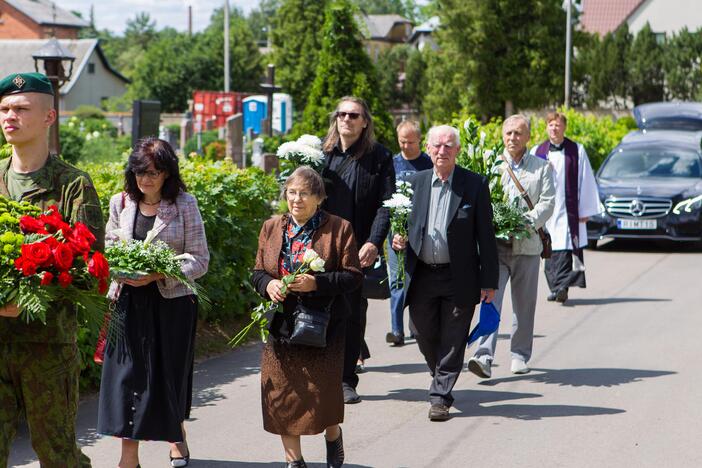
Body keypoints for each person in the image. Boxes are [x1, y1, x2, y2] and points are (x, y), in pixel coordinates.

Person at [0, 72, 104, 467]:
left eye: (22, 108)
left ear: (49, 117)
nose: (10, 116)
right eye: (5, 109)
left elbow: (89, 265)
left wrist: (28, 302)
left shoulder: (72, 185)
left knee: (56, 453)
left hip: (47, 345)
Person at [97, 138, 209, 468]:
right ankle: (128, 458)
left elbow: (200, 260)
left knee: (167, 377)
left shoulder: (185, 204)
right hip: (127, 302)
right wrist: (120, 268)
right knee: (126, 379)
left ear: (167, 174)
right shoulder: (120, 202)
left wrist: (160, 274)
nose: (146, 179)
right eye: (140, 172)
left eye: (155, 172)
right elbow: (108, 249)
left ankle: (176, 435)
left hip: (171, 304)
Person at [252, 166, 363, 468]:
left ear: (318, 197)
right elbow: (258, 272)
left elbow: (353, 277)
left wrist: (318, 283)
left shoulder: (339, 228)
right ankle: (294, 461)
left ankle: (332, 434)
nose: (297, 199)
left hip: (323, 325)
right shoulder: (272, 227)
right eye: (291, 192)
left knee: (321, 394)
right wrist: (269, 284)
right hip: (282, 325)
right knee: (280, 392)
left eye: (304, 193)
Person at [392, 125, 499, 421]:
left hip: (459, 275)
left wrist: (489, 282)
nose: (442, 151)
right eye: (437, 146)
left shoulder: (474, 184)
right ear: (428, 149)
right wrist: (397, 239)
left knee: (454, 337)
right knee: (421, 331)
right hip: (423, 273)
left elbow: (486, 238)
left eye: (449, 146)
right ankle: (440, 372)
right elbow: (401, 225)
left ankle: (440, 396)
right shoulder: (415, 182)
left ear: (458, 151)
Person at [467, 114, 555, 379]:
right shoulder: (492, 166)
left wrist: (522, 222)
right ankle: (483, 356)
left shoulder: (542, 168)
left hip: (527, 247)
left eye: (518, 133)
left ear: (528, 137)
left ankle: (519, 355)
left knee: (524, 306)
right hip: (497, 249)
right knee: (490, 300)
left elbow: (548, 203)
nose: (513, 138)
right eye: (508, 133)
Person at [321, 96, 395, 404]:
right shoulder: (320, 156)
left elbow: (386, 204)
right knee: (318, 310)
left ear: (365, 122)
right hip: (320, 247)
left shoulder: (379, 157)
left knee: (351, 313)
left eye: (354, 115)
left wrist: (373, 242)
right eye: (342, 114)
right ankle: (320, 374)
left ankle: (346, 379)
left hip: (356, 248)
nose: (347, 119)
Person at [531, 111, 600, 304]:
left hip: (568, 209)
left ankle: (561, 287)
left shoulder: (577, 150)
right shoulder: (537, 151)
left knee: (565, 248)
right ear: (547, 128)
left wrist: (585, 210)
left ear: (564, 128)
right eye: (551, 124)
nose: (554, 128)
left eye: (558, 124)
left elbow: (586, 180)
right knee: (547, 249)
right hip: (546, 209)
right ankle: (555, 287)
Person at [385, 120, 433, 347]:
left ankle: (417, 326)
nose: (406, 146)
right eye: (402, 141)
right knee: (397, 280)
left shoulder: (429, 163)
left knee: (419, 281)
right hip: (396, 232)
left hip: (423, 232)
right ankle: (396, 329)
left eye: (411, 142)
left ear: (420, 140)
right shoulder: (391, 164)